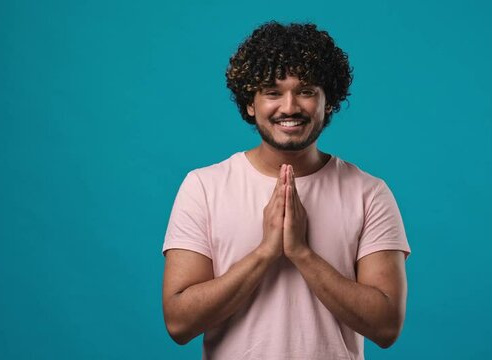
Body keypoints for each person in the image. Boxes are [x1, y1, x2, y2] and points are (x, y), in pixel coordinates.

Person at [162, 21, 411, 360]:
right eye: (272, 92)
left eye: (306, 91)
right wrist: (266, 252)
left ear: (329, 103)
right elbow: (178, 323)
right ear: (251, 104)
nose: (290, 107)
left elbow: (386, 327)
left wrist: (301, 253)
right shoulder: (203, 187)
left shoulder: (369, 193)